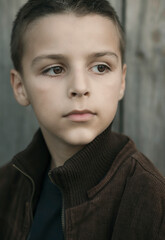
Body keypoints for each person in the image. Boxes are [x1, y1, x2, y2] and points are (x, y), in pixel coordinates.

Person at [0, 0, 165, 239]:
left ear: (121, 82)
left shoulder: (150, 200)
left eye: (100, 67)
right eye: (55, 69)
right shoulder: (6, 187)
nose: (79, 87)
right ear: (20, 86)